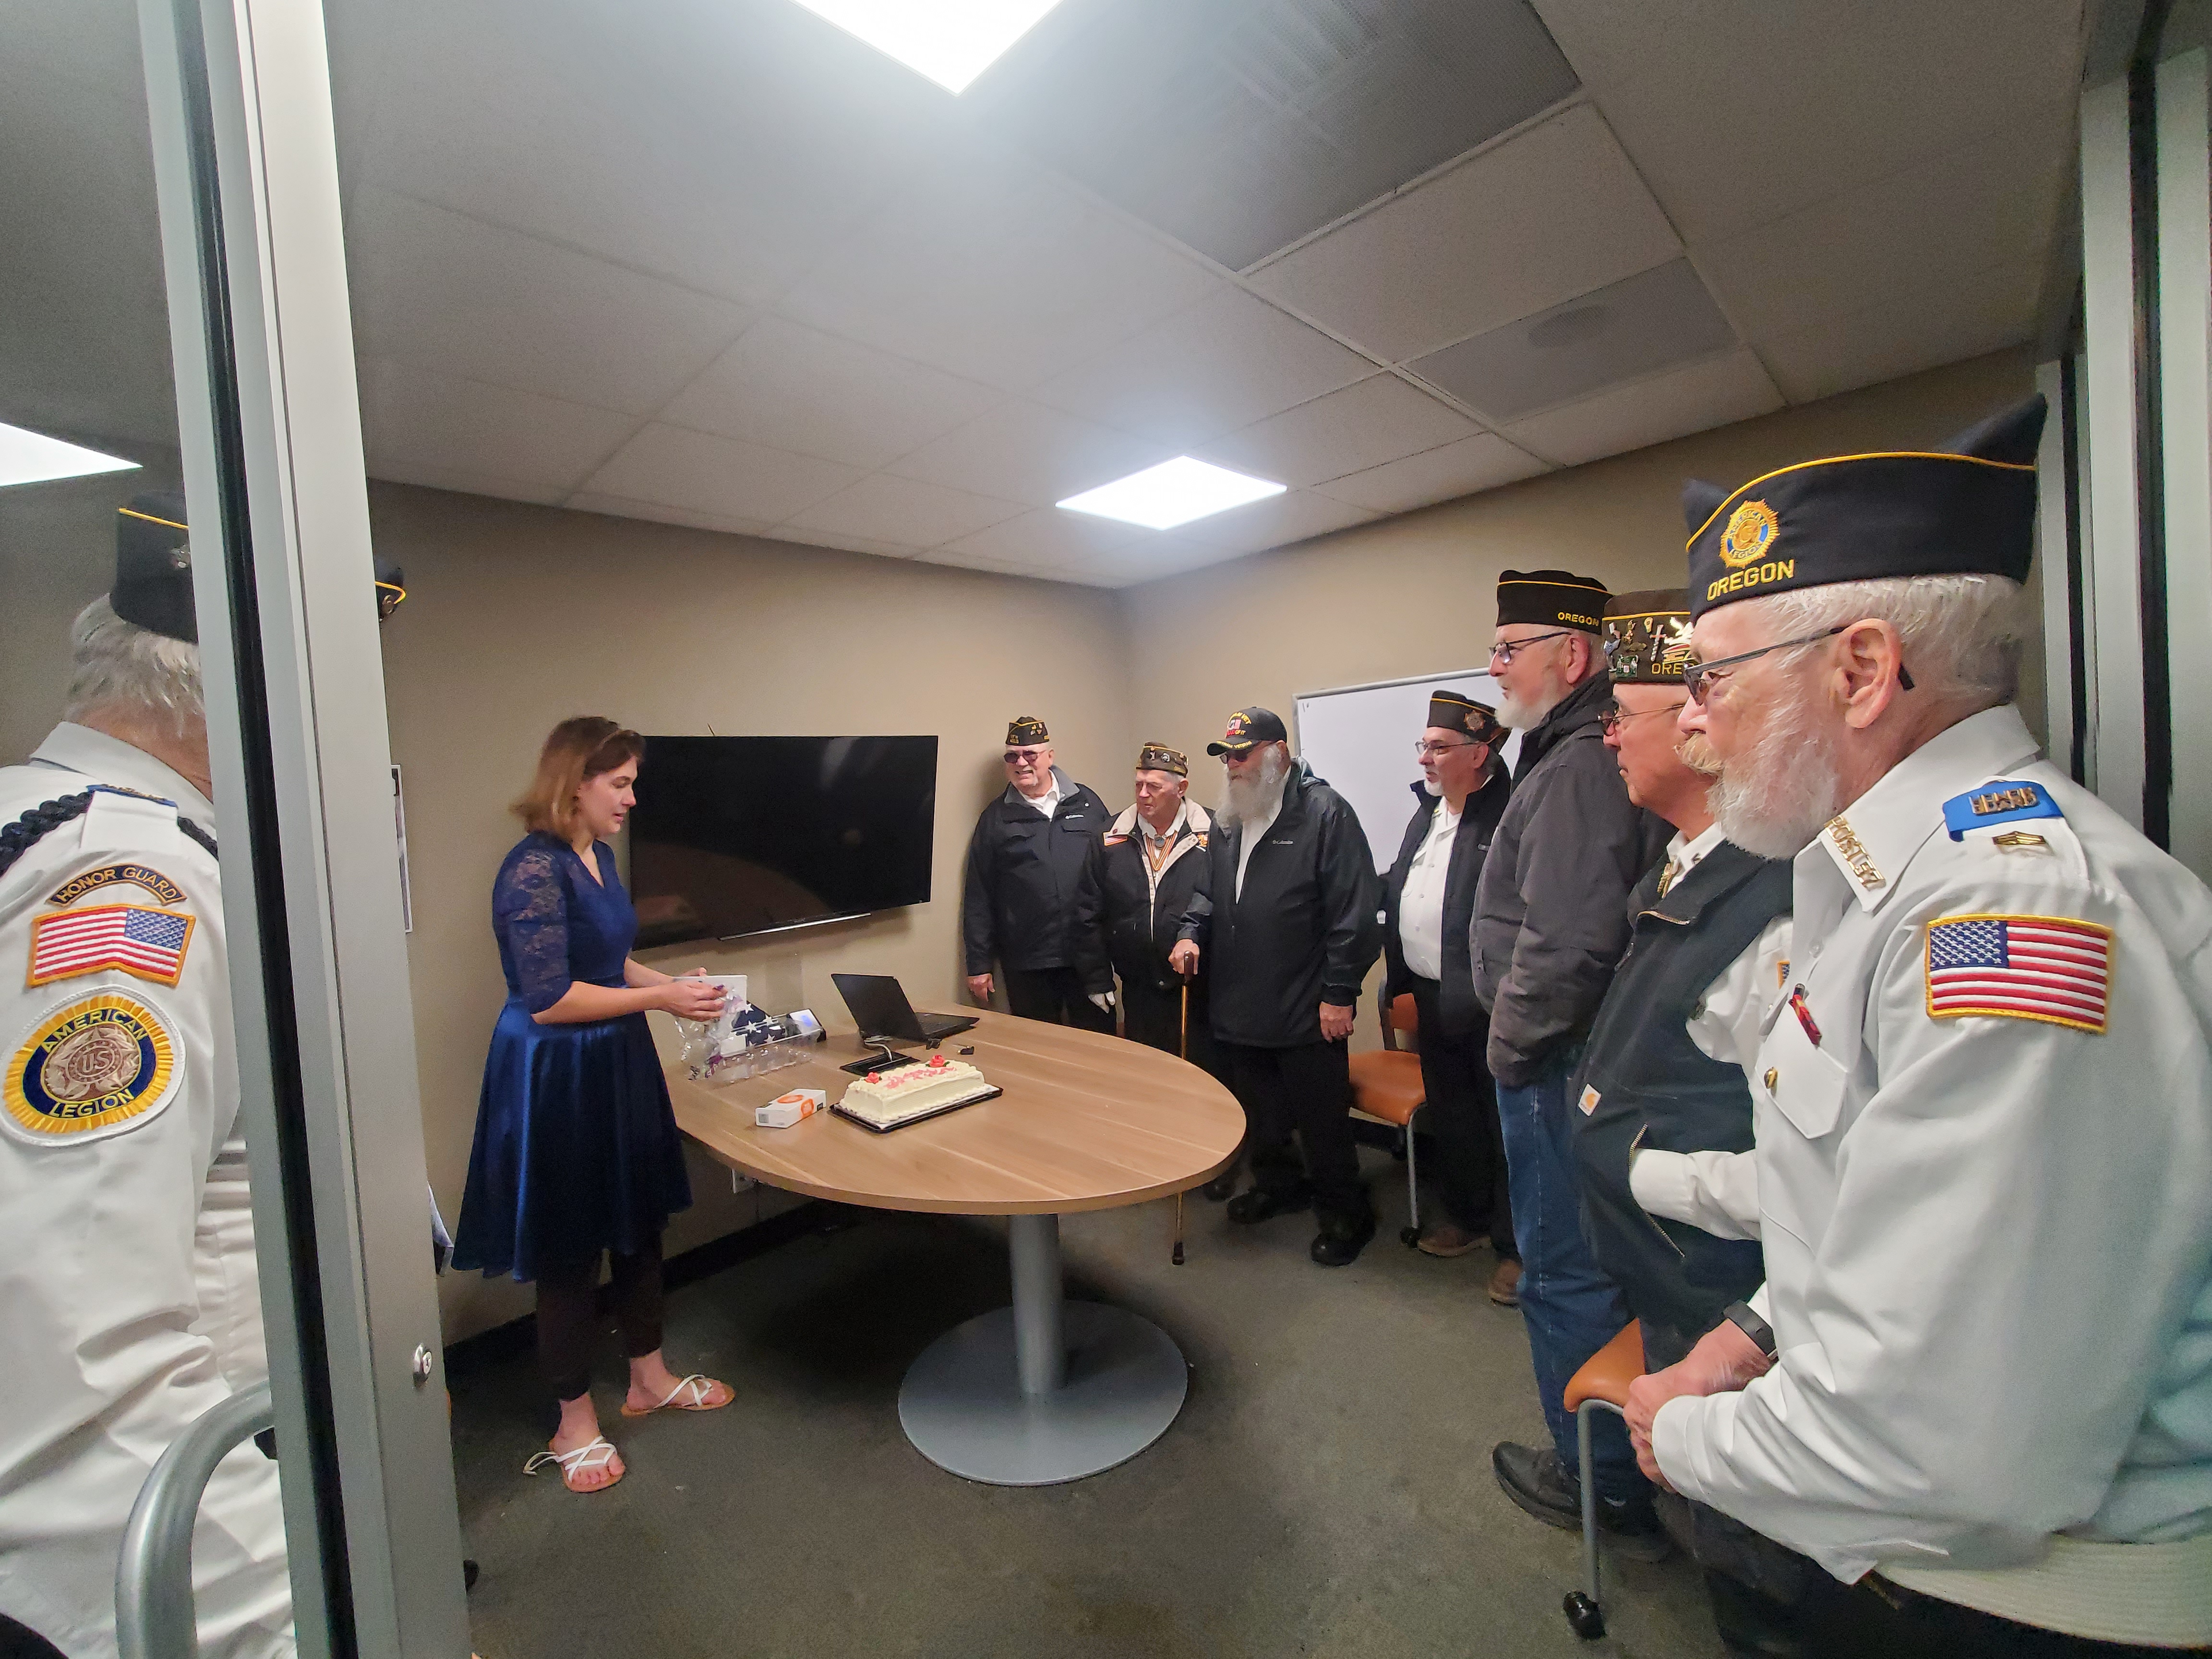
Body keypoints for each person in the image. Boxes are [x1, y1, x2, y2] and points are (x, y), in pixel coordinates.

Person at [1624, 396, 2212, 1656]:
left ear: (1862, 669)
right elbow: (1866, 1213)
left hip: (2015, 1601)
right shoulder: (1874, 880)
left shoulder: (2011, 911)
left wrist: (1676, 1435)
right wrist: (1752, 1334)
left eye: (1714, 674)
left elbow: (1944, 1445)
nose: (1696, 717)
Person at [0, 494, 384, 1658]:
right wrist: (303, 1622)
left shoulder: (34, 819)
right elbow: (80, 1364)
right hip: (170, 1543)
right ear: (238, 689)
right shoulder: (129, 891)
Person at [1568, 590, 1801, 1642]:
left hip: (1732, 1306)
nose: (1610, 732)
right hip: (1675, 1279)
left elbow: (1821, 1183)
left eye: (1631, 709)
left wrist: (1634, 1173)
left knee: (1762, 1581)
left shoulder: (1784, 900)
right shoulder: (1686, 862)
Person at [452, 718, 735, 1496]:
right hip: (556, 1071)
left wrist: (672, 994)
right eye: (621, 784)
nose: (632, 799)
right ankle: (573, 1419)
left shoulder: (597, 858)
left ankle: (648, 1376)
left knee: (640, 1224)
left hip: (614, 1057)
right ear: (575, 782)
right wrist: (662, 997)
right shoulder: (531, 870)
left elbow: (607, 963)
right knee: (570, 1247)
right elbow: (547, 999)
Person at [1473, 568, 1671, 1556]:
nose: (1495, 664)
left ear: (1574, 656)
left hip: (1555, 1061)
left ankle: (1597, 1483)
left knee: (1562, 1273)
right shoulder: (1569, 754)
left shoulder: (1580, 766)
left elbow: (1568, 945)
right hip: (1571, 1056)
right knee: (1584, 1265)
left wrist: (1509, 1052)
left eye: (1510, 647)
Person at [1168, 708, 1383, 1265]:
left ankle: (1346, 1215)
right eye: (1226, 755)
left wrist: (1340, 993)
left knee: (1323, 1122)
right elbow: (1207, 893)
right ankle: (1279, 1186)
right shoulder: (1231, 818)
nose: (1233, 765)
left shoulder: (1325, 813)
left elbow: (1354, 915)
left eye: (1243, 753)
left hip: (1307, 1005)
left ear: (1279, 753)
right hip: (1241, 1002)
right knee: (1260, 1114)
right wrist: (1191, 932)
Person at [1379, 689, 1518, 1297]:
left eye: (1438, 748)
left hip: (1492, 1003)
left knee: (1504, 1127)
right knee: (1456, 1117)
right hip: (1434, 998)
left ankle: (1519, 1248)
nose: (1425, 760)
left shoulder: (1509, 815)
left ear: (1480, 752)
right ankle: (1467, 1218)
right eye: (1423, 747)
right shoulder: (1428, 812)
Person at [1070, 740, 1223, 1081]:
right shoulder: (1110, 837)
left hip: (1198, 988)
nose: (1142, 794)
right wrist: (1097, 978)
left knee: (1200, 1078)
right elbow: (1086, 911)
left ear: (1181, 789)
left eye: (1153, 786)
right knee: (1148, 1078)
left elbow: (1223, 903)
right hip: (1138, 987)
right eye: (1138, 784)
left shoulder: (1214, 833)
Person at [961, 716, 1113, 1032]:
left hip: (1087, 955)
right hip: (1028, 960)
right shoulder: (996, 818)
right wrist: (979, 964)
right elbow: (979, 894)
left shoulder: (1087, 803)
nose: (1021, 763)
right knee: (1040, 1050)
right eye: (1012, 757)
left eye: (1031, 755)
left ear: (1050, 757)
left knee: (1100, 1047)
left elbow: (1114, 869)